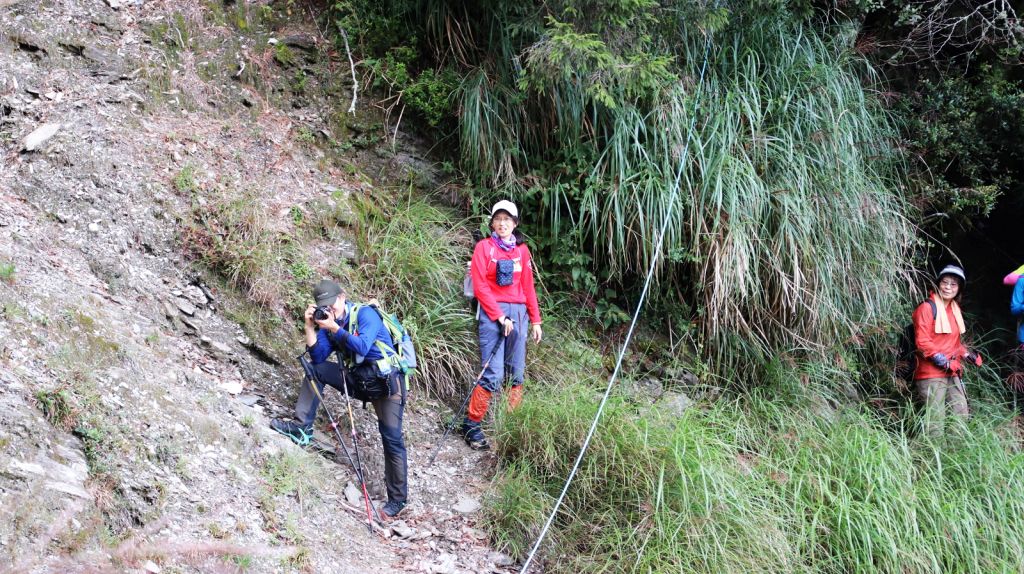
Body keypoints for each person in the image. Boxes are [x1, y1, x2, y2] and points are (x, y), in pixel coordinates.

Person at [271, 279, 409, 517]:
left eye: (332, 303)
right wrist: (310, 327)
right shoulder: (329, 323)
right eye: (323, 305)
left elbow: (362, 346)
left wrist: (334, 328)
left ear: (342, 297)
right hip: (358, 381)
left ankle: (397, 500)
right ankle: (301, 428)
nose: (329, 309)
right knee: (316, 370)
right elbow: (318, 357)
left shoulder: (366, 315)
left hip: (386, 384)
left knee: (392, 439)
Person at [461, 200, 543, 450]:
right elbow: (480, 285)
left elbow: (527, 285)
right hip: (492, 314)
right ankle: (472, 425)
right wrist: (499, 316)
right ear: (492, 223)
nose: (502, 223)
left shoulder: (522, 251)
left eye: (508, 219)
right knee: (493, 373)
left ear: (515, 223)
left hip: (519, 315)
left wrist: (536, 319)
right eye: (498, 219)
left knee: (516, 374)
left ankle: (510, 427)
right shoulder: (484, 248)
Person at [912, 265, 983, 437]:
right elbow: (922, 342)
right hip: (931, 372)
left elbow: (954, 343)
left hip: (953, 371)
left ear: (959, 289)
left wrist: (967, 354)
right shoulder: (927, 308)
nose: (948, 287)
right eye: (945, 282)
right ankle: (929, 459)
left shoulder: (954, 310)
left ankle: (954, 455)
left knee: (960, 414)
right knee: (936, 420)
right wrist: (941, 360)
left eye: (953, 284)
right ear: (938, 284)